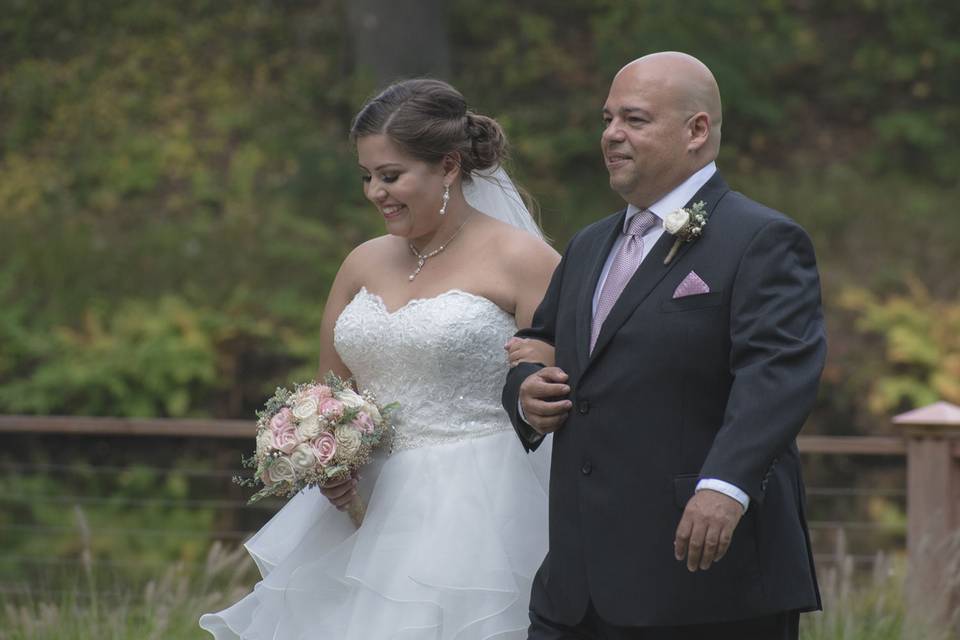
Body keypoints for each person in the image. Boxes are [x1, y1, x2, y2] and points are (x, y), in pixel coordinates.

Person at [200, 79, 560, 639]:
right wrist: (328, 459)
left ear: (447, 167)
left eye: (390, 176)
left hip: (477, 503)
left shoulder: (523, 260)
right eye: (367, 176)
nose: (375, 192)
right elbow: (330, 393)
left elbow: (554, 388)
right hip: (365, 508)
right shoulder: (362, 263)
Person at [502, 52, 826, 639]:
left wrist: (725, 486)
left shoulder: (762, 239)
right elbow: (537, 338)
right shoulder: (588, 244)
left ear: (696, 130)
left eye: (634, 120)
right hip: (576, 582)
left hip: (702, 575)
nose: (611, 136)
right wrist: (523, 389)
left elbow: (777, 372)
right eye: (606, 119)